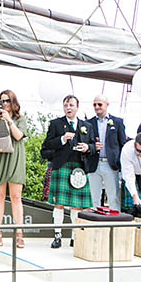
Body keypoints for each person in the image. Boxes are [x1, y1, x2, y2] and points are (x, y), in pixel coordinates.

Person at [40, 95, 94, 249]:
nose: (68, 108)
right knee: (59, 204)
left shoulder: (86, 126)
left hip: (79, 169)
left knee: (76, 206)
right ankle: (57, 236)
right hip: (62, 167)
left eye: (71, 105)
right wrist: (62, 139)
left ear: (77, 107)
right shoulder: (56, 124)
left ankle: (74, 237)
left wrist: (87, 148)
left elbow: (92, 146)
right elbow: (46, 146)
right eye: (66, 105)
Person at [0, 89, 27, 248]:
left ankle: (19, 233)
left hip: (15, 157)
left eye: (7, 101)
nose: (4, 104)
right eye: (1, 101)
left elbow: (18, 136)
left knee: (16, 196)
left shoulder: (20, 118)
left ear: (13, 102)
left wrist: (8, 119)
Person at [85, 94, 128, 211]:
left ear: (107, 105)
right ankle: (94, 225)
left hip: (111, 164)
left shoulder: (117, 122)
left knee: (113, 197)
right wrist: (92, 147)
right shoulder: (88, 123)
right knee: (93, 198)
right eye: (95, 104)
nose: (97, 107)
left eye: (100, 104)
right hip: (94, 163)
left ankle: (115, 224)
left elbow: (122, 144)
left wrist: (119, 163)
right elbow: (85, 143)